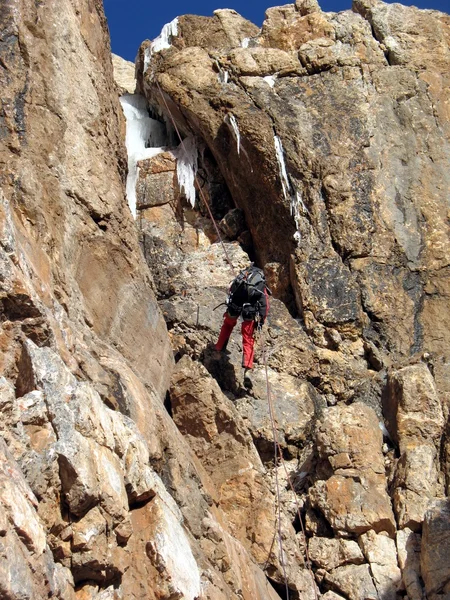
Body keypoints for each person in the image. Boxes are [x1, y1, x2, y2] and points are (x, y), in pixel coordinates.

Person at [214, 265, 270, 387]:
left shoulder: (243, 276)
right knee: (248, 339)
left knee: (228, 325)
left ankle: (218, 348)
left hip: (235, 304)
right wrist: (260, 321)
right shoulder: (260, 284)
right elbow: (264, 304)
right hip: (249, 310)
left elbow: (231, 289)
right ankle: (248, 370)